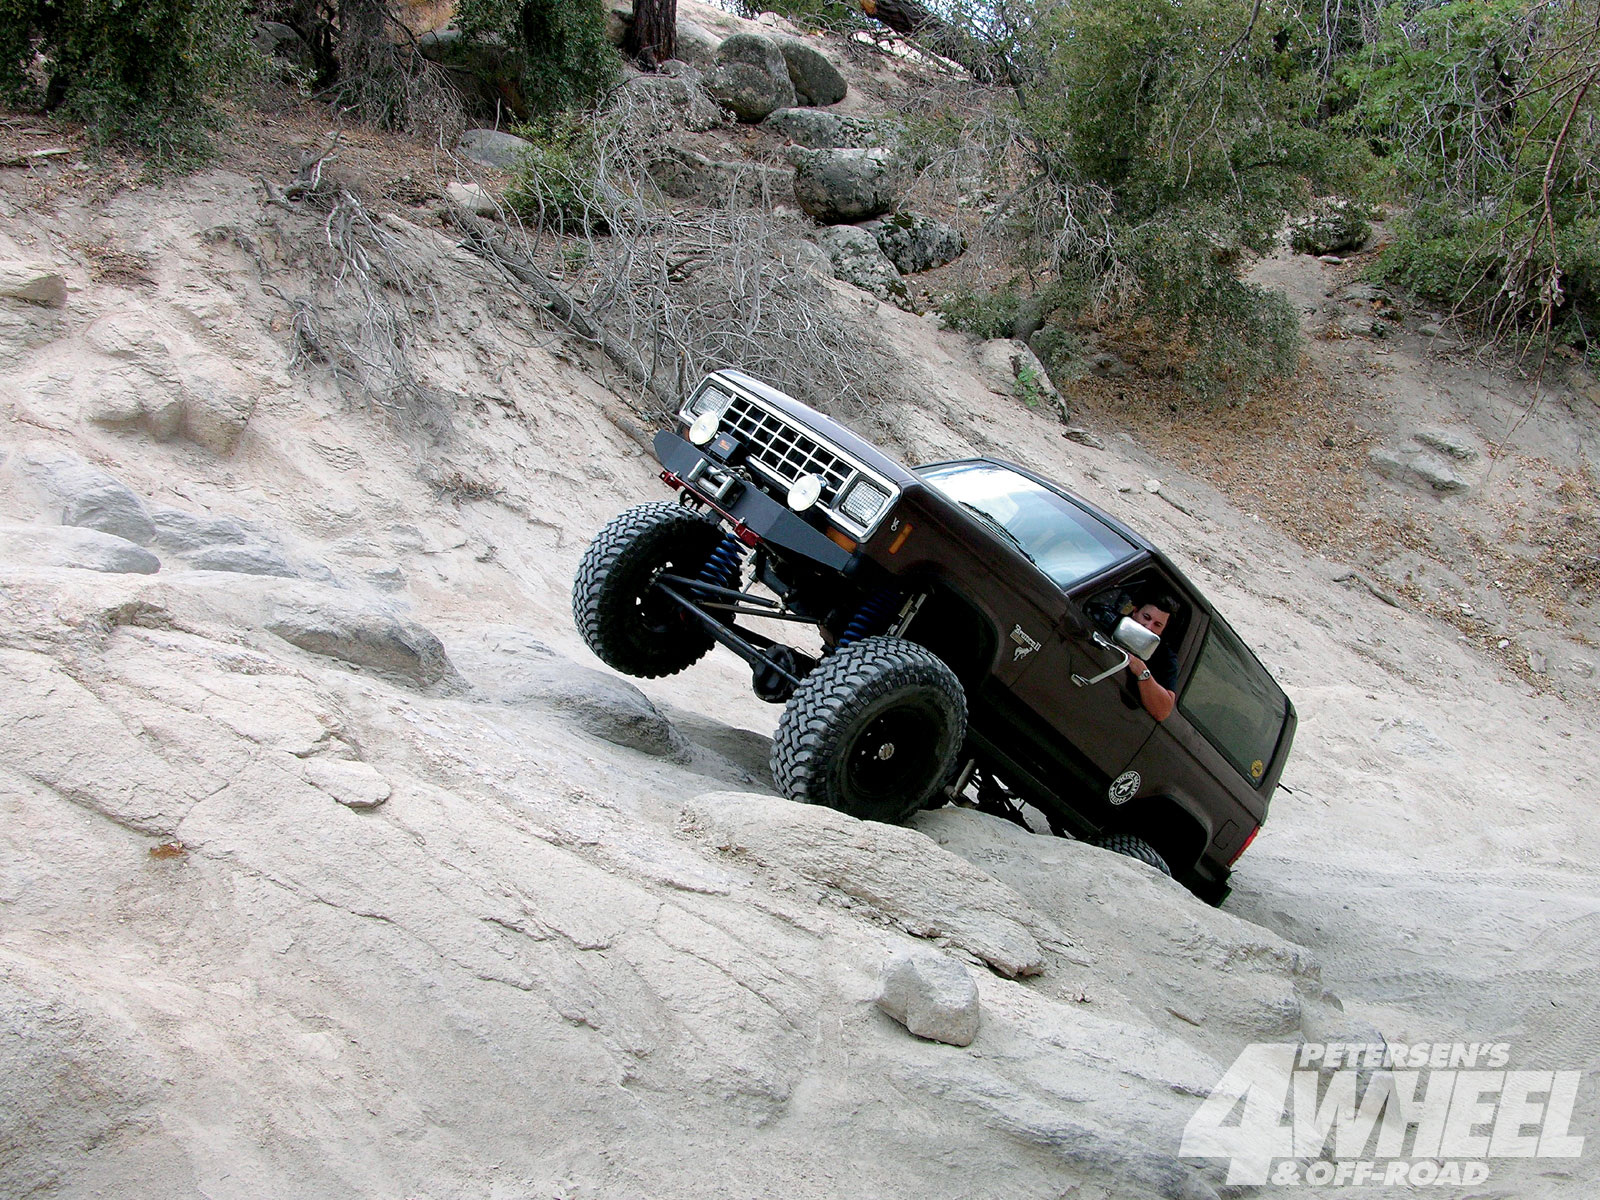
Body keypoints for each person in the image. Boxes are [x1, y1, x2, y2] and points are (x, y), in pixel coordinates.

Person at [1085, 587, 1179, 722]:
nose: (1148, 626)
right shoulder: (1111, 621)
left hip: (1114, 714)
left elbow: (1163, 711)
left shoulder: (1165, 658)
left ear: (1163, 630)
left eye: (1157, 625)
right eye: (1146, 617)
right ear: (1135, 611)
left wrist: (1142, 671)